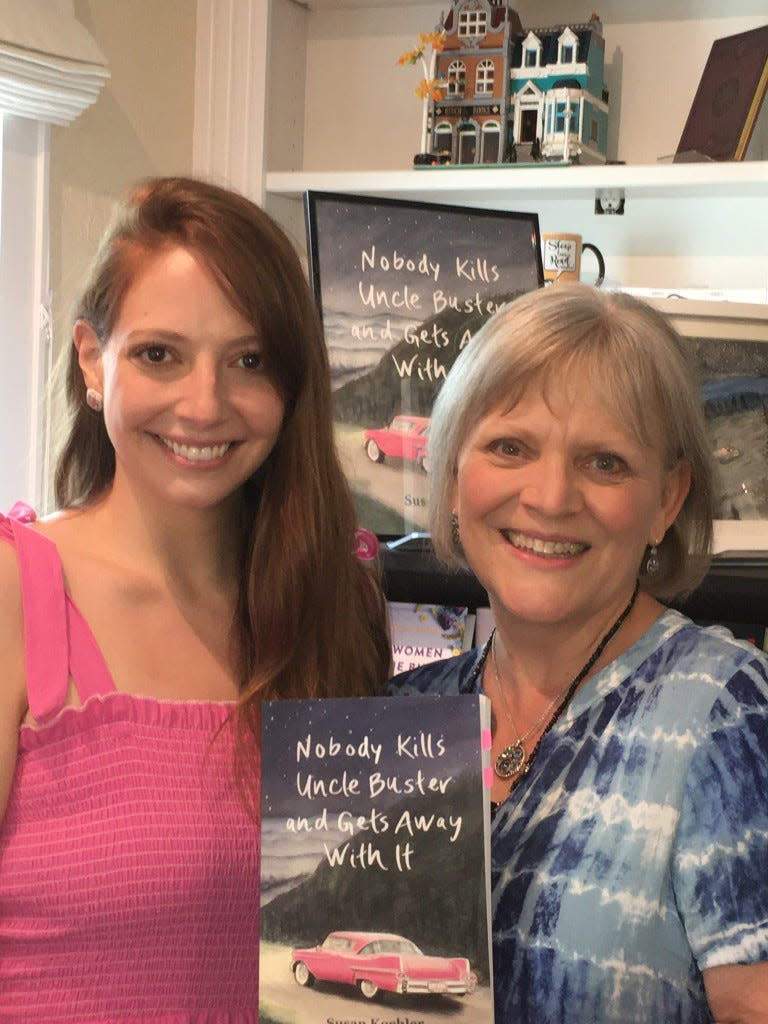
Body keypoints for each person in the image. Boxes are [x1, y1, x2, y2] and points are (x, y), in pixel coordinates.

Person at [0, 176, 390, 1020]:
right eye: (159, 354)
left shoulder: (337, 602)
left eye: (249, 361)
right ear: (90, 361)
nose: (205, 404)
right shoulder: (13, 595)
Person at [387, 282, 768, 1023]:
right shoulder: (406, 713)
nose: (552, 496)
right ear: (454, 472)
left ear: (667, 498)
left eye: (605, 462)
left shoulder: (726, 714)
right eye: (510, 447)